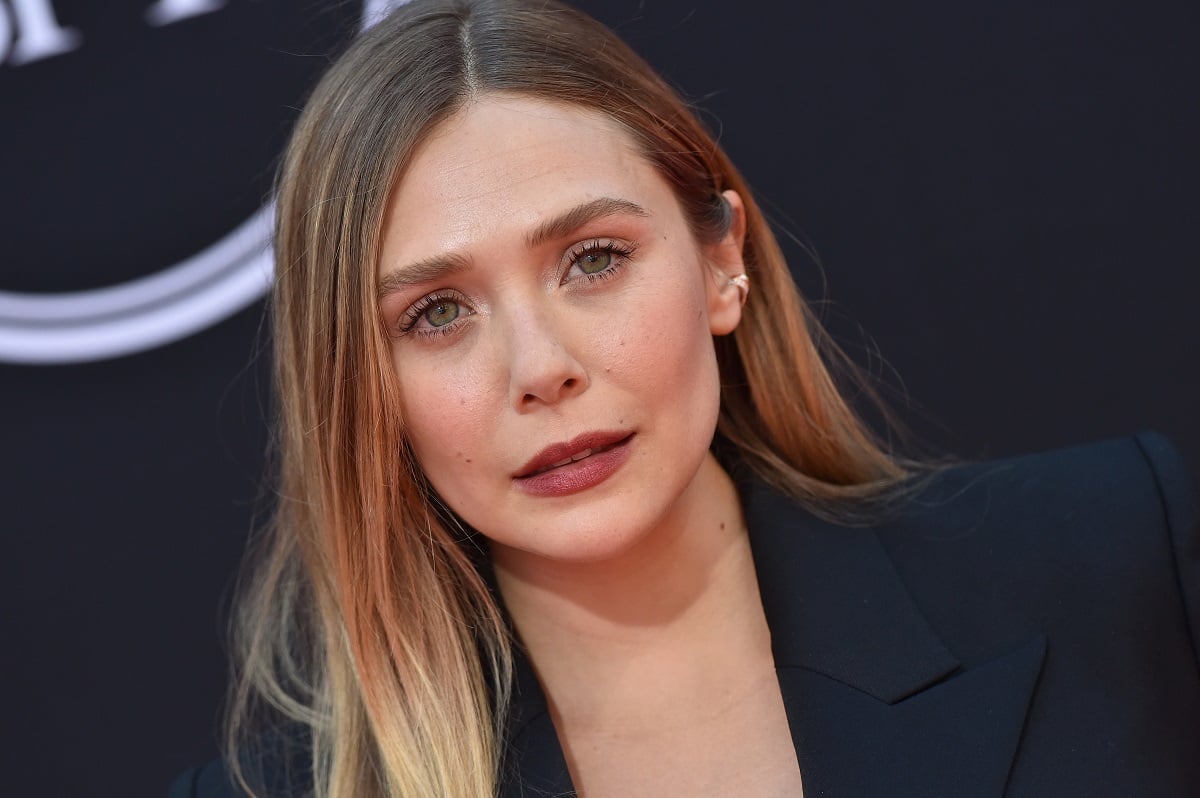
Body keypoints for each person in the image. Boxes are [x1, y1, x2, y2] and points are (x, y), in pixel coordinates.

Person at [170, 0, 1200, 796]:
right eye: (437, 314)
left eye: (594, 259)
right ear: (361, 388)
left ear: (720, 263)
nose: (540, 368)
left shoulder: (1108, 560)